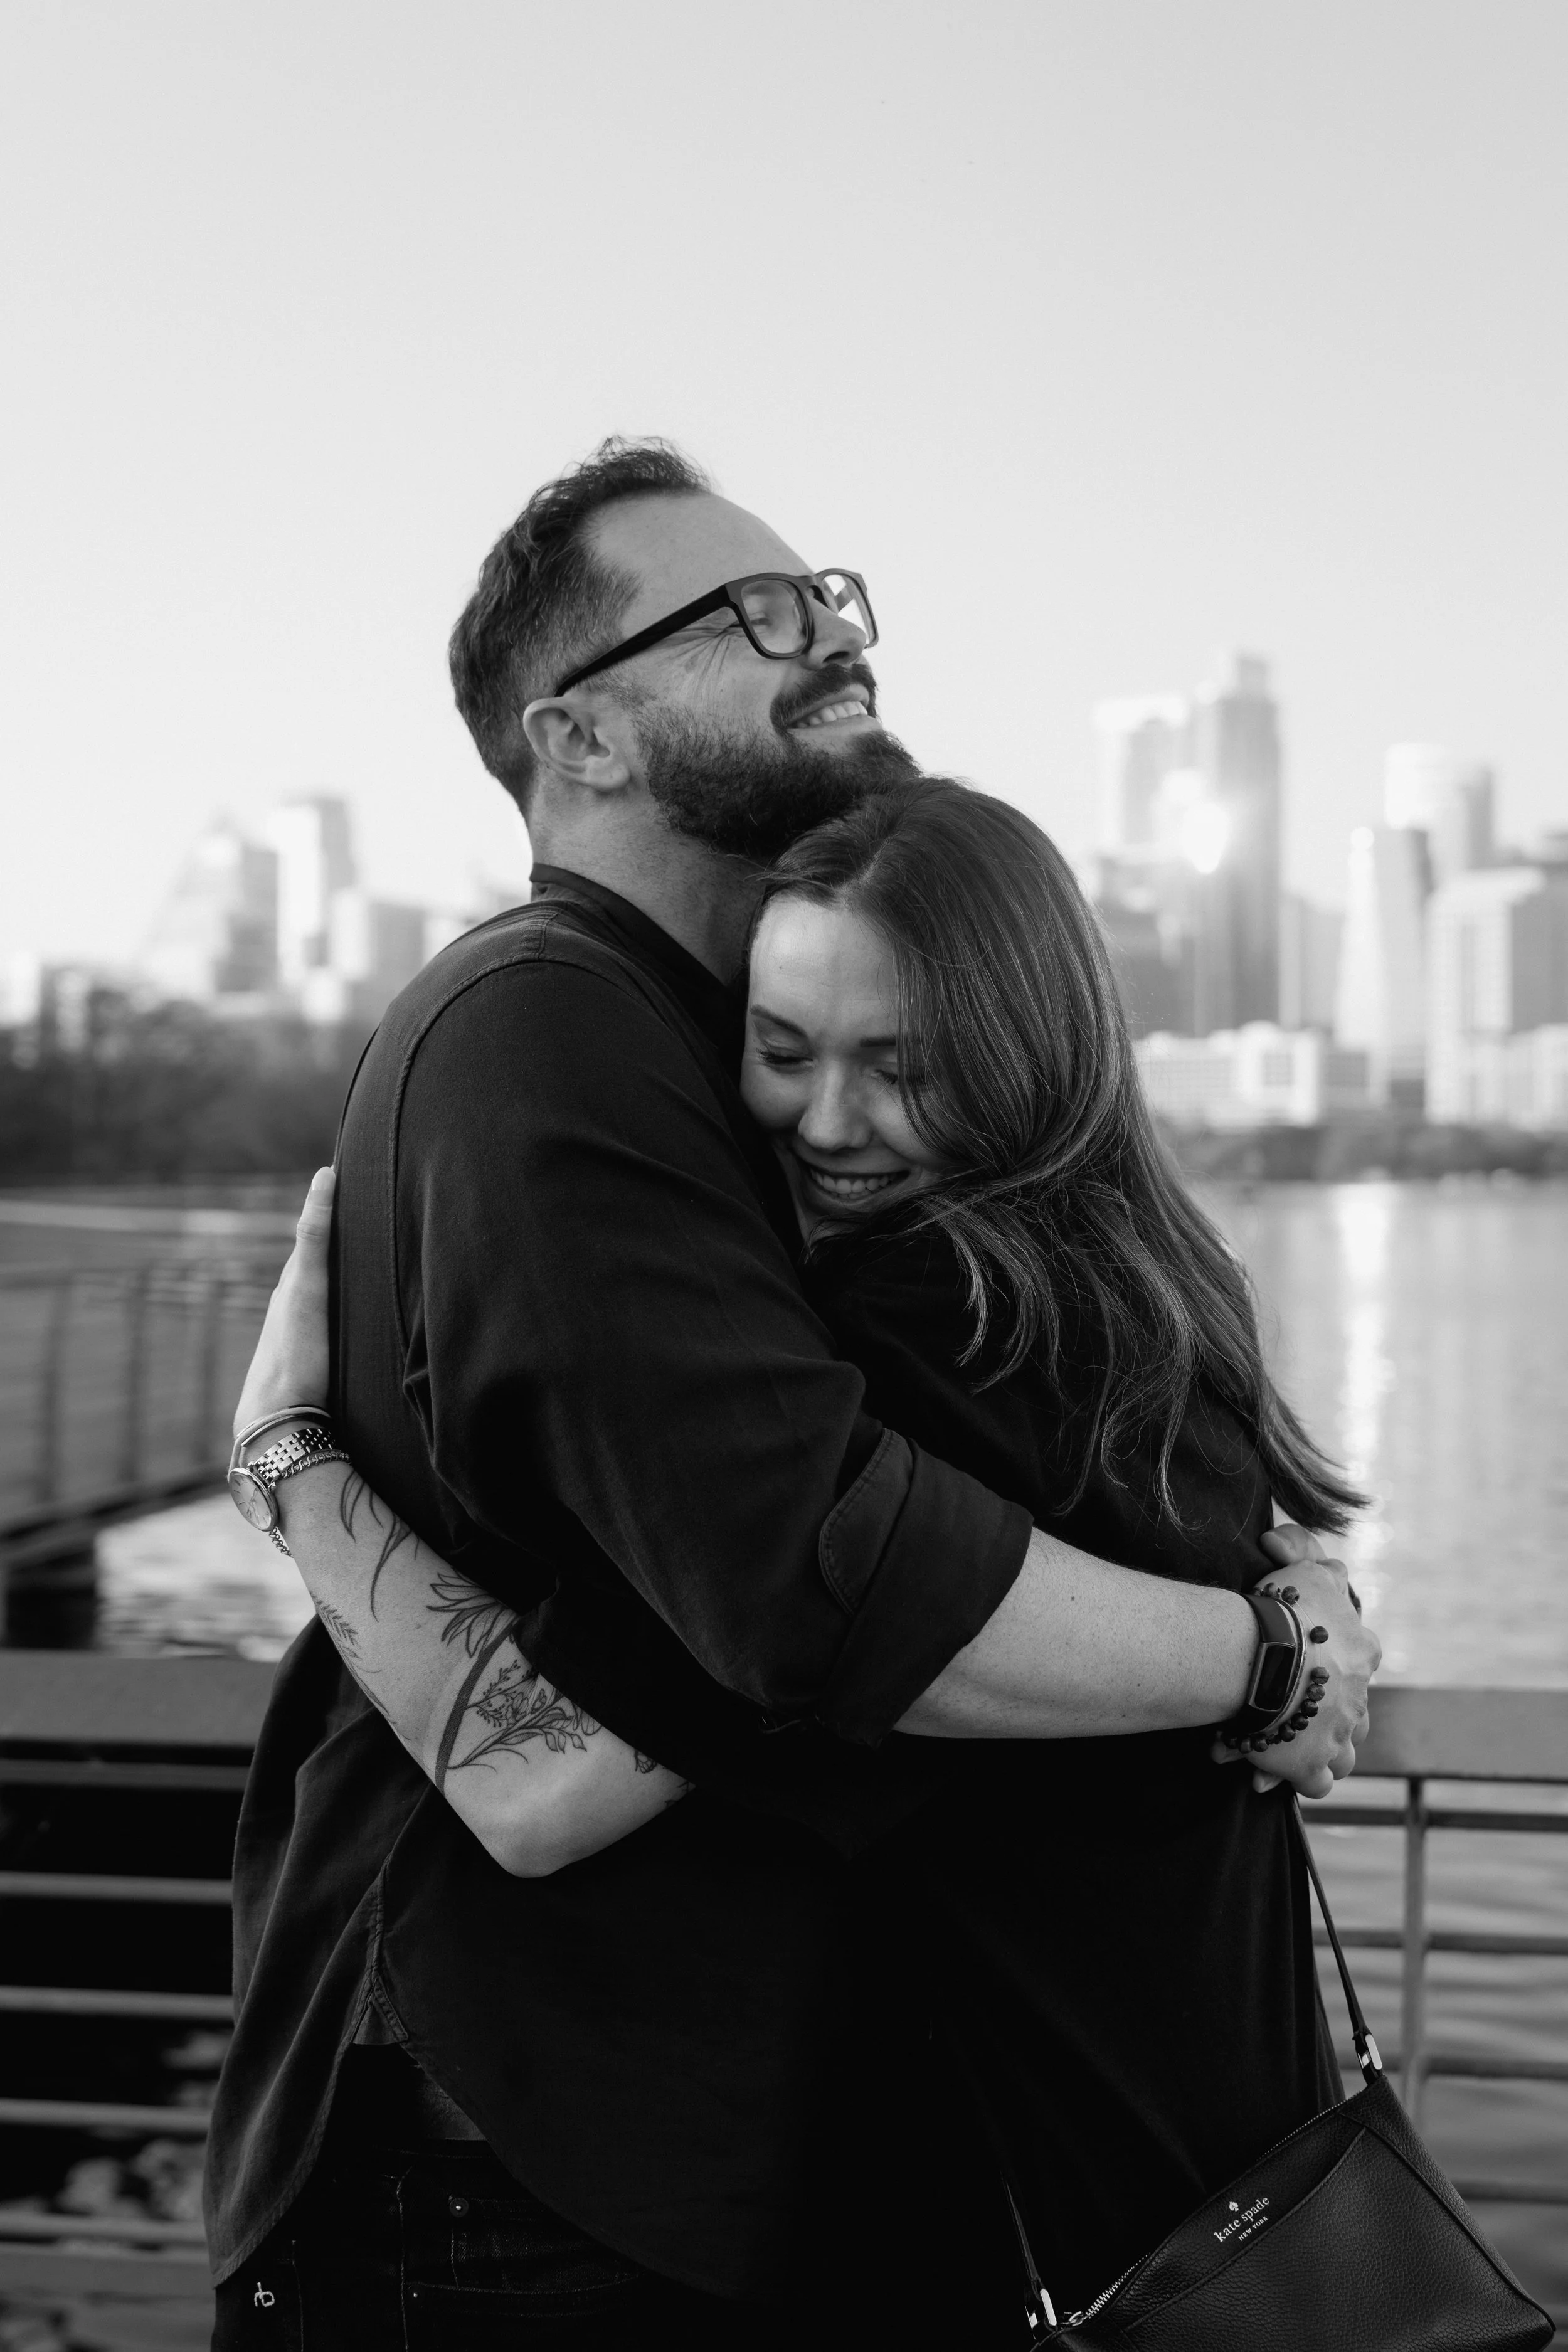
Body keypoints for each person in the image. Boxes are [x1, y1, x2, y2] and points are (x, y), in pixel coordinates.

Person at [207, 438, 1377, 2348]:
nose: (825, 633)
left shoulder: (934, 1273)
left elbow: (611, 1721)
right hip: (538, 2143)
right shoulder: (557, 1023)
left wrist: (281, 1459)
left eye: (827, 597)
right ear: (573, 734)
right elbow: (802, 1586)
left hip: (953, 2198)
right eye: (751, 613)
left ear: (1007, 1055)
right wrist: (1265, 1648)